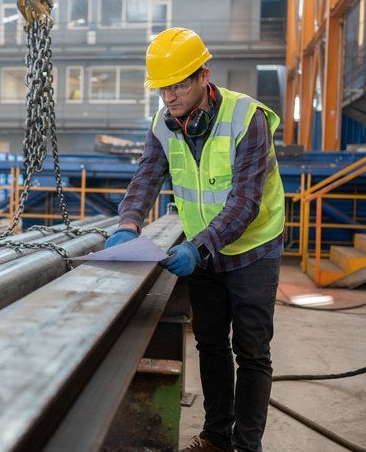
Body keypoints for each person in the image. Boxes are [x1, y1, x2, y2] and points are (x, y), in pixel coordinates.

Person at [105, 27, 284, 452]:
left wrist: (197, 245)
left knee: (252, 351)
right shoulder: (163, 125)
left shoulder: (248, 118)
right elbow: (147, 176)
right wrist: (127, 225)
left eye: (178, 85)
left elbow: (244, 203)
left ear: (204, 76)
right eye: (161, 89)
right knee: (210, 343)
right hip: (204, 253)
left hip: (253, 251)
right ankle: (217, 437)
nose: (169, 97)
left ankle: (246, 446)